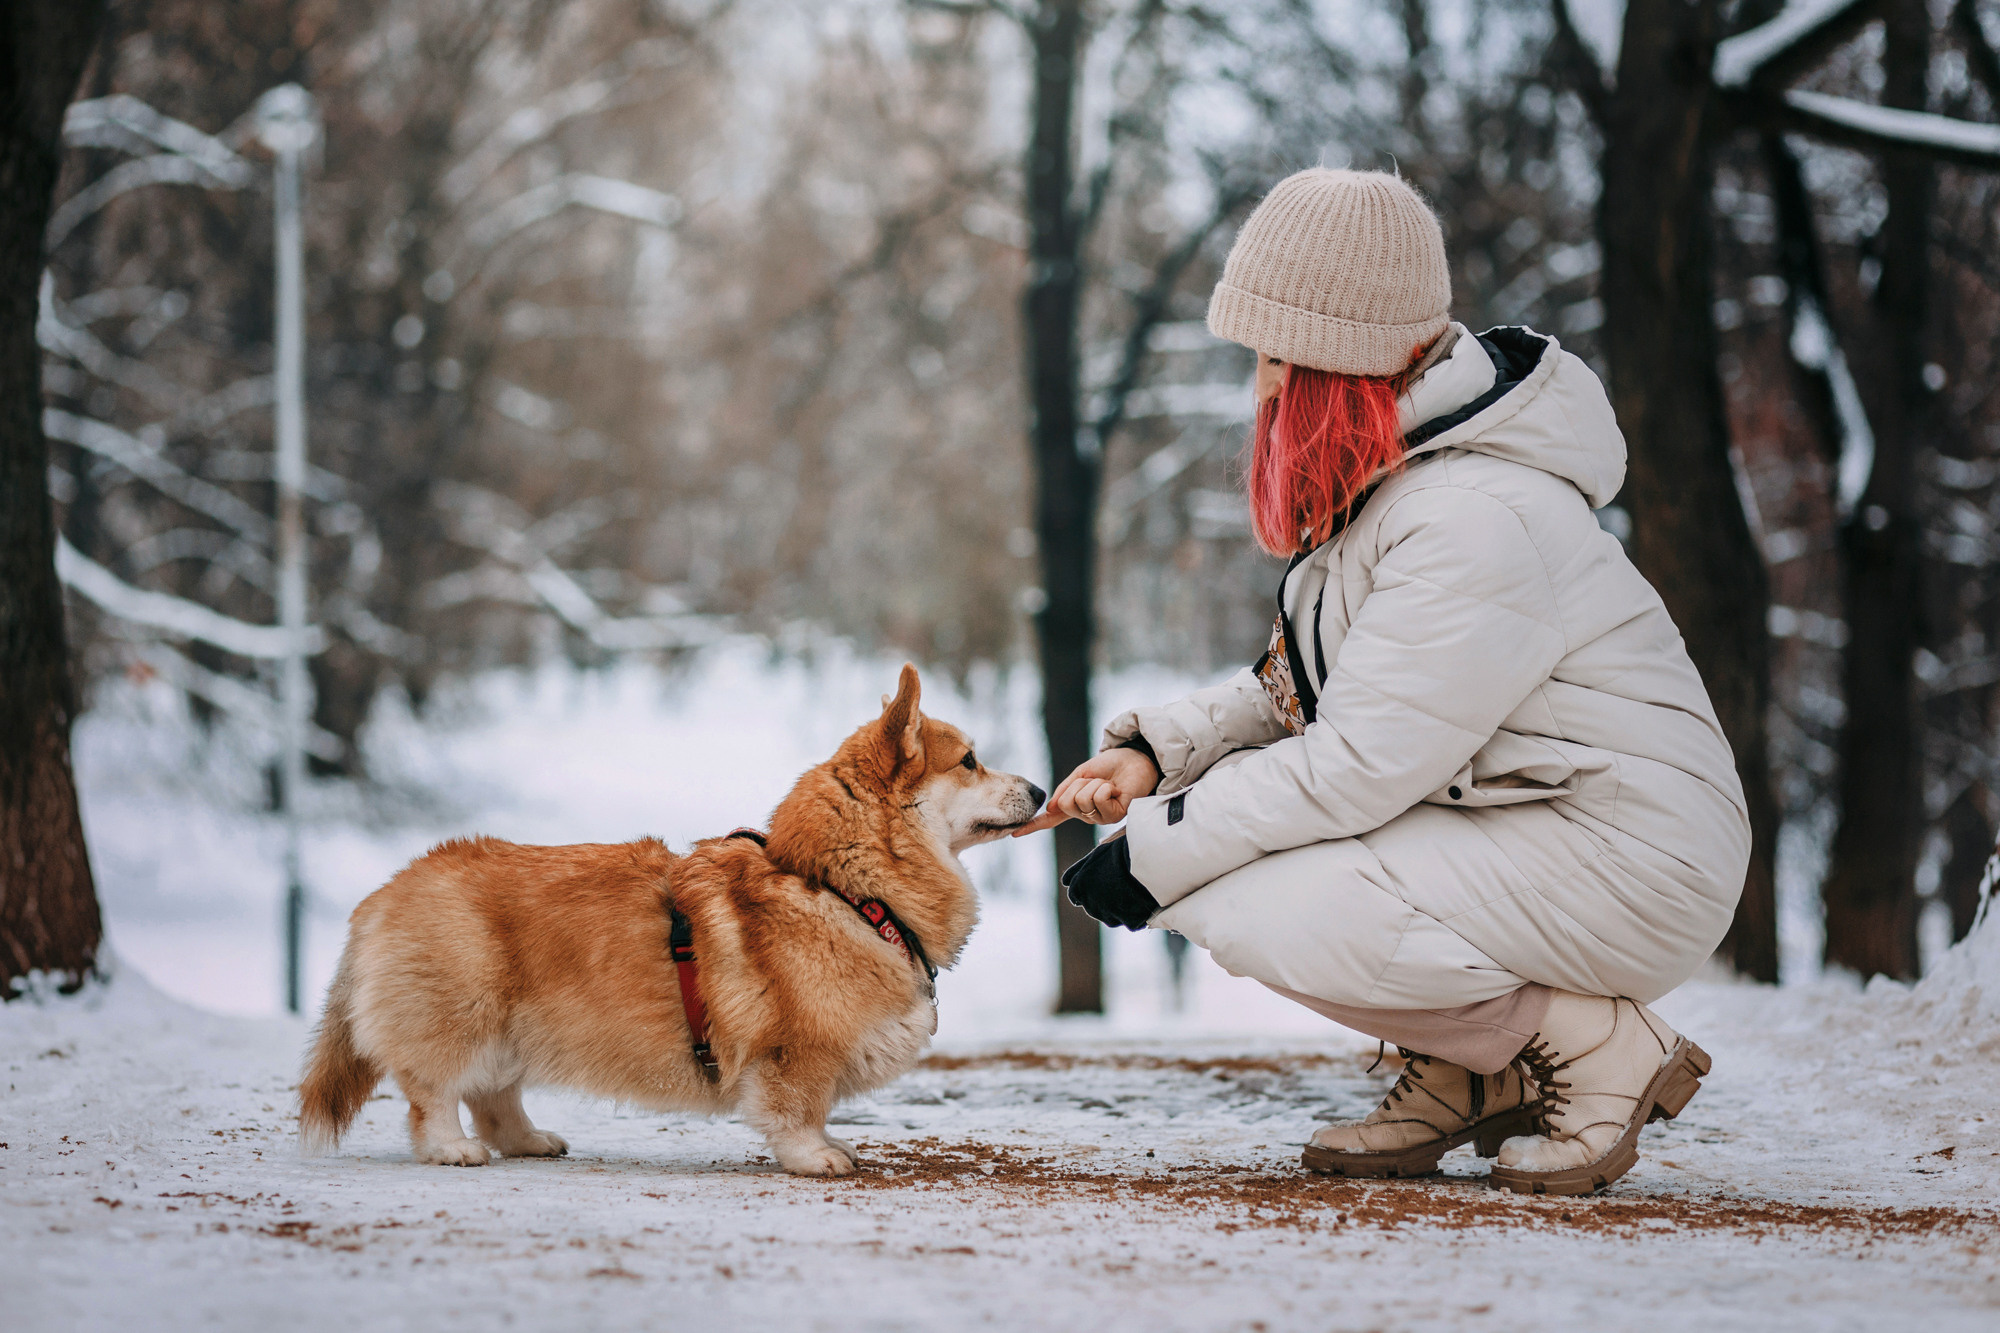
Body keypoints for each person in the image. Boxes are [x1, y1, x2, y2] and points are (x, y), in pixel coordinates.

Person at [1015, 167, 1749, 1196]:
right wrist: (1154, 754)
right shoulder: (1401, 485)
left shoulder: (1468, 517)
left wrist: (1158, 850)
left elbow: (1357, 763)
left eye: (1279, 356)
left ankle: (1597, 1047)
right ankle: (1471, 1071)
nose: (1262, 387)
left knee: (1247, 892)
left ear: (1345, 357)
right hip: (1536, 823)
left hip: (1630, 856)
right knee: (1234, 866)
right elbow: (1300, 690)